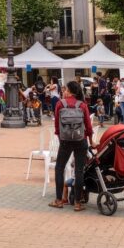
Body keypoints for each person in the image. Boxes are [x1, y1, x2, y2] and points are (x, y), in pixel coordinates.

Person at [49, 81, 94, 212]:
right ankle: (78, 203)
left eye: (65, 89)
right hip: (81, 140)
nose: (63, 91)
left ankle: (58, 200)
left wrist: (62, 139)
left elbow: (57, 126)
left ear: (69, 91)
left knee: (59, 168)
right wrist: (91, 140)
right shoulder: (82, 105)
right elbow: (88, 126)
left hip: (65, 141)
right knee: (79, 171)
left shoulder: (60, 104)